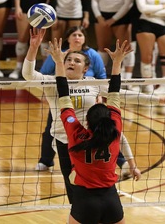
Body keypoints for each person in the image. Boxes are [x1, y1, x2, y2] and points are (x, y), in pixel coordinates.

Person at [23, 28, 165, 203]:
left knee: (95, 185)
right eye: (68, 59)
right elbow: (28, 75)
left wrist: (159, 100)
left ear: (85, 69)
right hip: (64, 141)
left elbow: (121, 93)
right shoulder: (52, 83)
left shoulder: (93, 83)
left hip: (92, 140)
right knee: (74, 191)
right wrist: (33, 47)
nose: (72, 62)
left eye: (77, 61)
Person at [51, 37, 129, 224]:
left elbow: (63, 95)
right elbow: (115, 93)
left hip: (85, 201)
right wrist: (117, 62)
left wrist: (58, 63)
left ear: (87, 121)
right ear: (109, 119)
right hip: (112, 200)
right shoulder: (115, 131)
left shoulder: (76, 134)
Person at [35, 26, 106, 172]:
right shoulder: (59, 54)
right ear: (68, 38)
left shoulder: (92, 54)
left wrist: (99, 93)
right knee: (53, 129)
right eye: (74, 34)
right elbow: (43, 73)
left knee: (100, 131)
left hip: (87, 95)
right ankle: (46, 161)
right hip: (61, 96)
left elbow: (101, 77)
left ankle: (120, 162)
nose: (77, 37)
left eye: (80, 34)